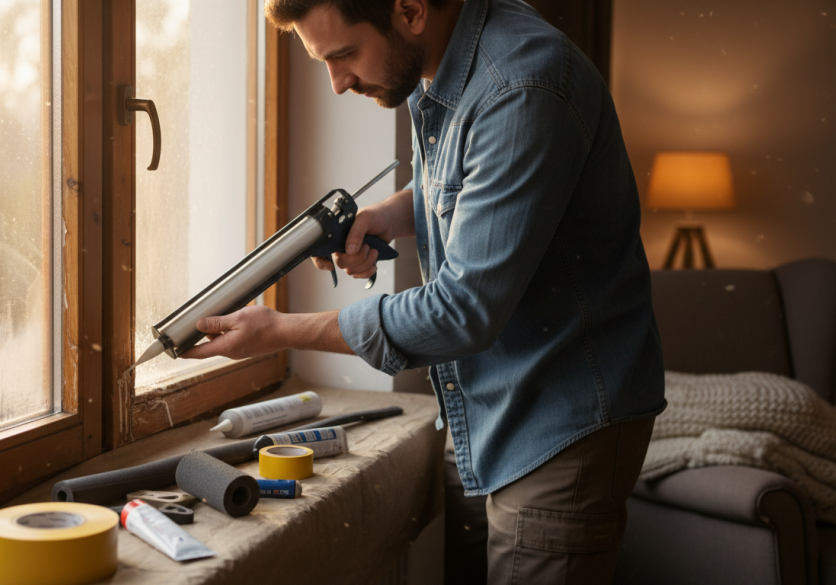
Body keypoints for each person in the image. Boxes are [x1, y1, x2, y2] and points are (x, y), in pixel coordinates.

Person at [182, 0, 666, 582]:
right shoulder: (441, 60)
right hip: (499, 406)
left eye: (344, 55)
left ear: (409, 10)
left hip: (562, 424)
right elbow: (472, 181)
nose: (337, 84)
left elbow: (463, 312)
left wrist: (280, 332)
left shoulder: (522, 86)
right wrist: (386, 215)